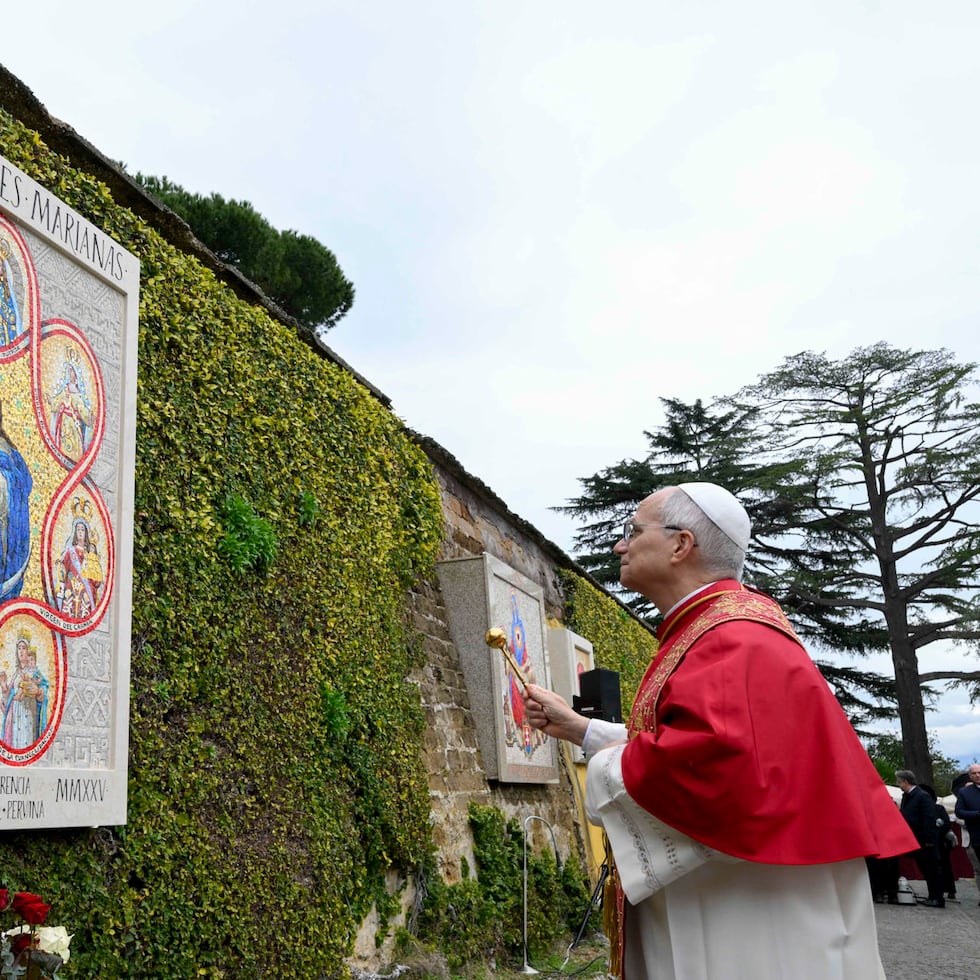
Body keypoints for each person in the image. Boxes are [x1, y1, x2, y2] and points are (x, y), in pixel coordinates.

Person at [521, 482, 916, 980]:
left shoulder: (733, 640)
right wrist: (582, 730)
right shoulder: (718, 629)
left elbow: (707, 768)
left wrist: (600, 767)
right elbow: (684, 744)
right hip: (746, 899)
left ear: (681, 545)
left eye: (633, 531)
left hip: (750, 915)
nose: (620, 545)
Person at [896, 771, 946, 906]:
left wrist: (929, 839)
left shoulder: (922, 796)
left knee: (932, 870)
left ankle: (938, 898)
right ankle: (932, 896)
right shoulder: (908, 797)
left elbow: (929, 818)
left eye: (899, 782)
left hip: (925, 840)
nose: (898, 785)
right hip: (915, 839)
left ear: (905, 781)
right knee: (925, 869)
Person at [954, 764, 980, 905]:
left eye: (979, 773)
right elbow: (959, 812)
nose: (977, 775)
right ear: (970, 775)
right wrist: (976, 815)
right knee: (978, 868)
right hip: (975, 836)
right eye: (974, 773)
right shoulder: (965, 793)